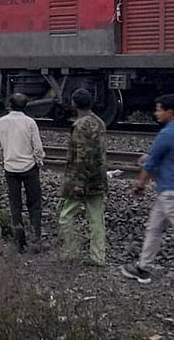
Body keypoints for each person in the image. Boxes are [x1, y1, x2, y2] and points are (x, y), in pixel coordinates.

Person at [122, 94, 174, 284]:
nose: (156, 113)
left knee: (155, 229)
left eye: (159, 109)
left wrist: (140, 185)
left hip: (170, 192)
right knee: (154, 228)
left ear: (170, 112)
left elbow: (150, 164)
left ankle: (144, 268)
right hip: (165, 192)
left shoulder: (167, 134)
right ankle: (143, 268)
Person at [57, 88, 108, 265]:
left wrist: (78, 182)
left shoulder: (79, 126)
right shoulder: (99, 122)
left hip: (81, 180)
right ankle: (98, 256)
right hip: (98, 179)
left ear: (74, 104)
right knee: (96, 219)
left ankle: (71, 251)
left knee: (65, 216)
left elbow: (81, 155)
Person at [0, 93, 46, 253]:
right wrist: (39, 160)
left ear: (10, 104)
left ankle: (19, 241)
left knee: (15, 204)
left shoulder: (1, 122)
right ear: (25, 106)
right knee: (34, 203)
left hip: (10, 169)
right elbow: (37, 146)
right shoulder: (30, 122)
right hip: (29, 167)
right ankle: (35, 237)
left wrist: (1, 161)